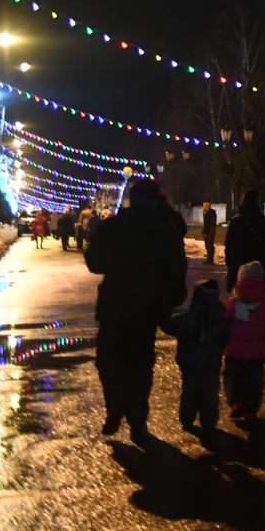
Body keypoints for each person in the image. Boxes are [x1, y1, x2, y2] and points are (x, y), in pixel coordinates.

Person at [84, 178, 187, 443]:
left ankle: (116, 407)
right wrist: (171, 300)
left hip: (114, 306)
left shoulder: (114, 226)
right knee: (140, 364)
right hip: (147, 307)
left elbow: (94, 262)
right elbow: (177, 268)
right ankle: (137, 420)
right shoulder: (165, 230)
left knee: (109, 360)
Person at [160, 277, 230, 434]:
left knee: (190, 393)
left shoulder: (188, 319)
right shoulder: (220, 320)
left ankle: (187, 419)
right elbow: (226, 336)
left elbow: (168, 326)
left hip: (190, 364)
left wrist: (165, 308)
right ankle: (209, 422)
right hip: (211, 364)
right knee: (210, 394)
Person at [223, 261, 265, 423]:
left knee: (233, 377)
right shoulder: (264, 302)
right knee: (254, 382)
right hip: (257, 352)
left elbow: (224, 321)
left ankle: (236, 401)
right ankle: (251, 409)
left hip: (234, 351)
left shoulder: (233, 302)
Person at [224, 189, 265, 282]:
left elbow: (229, 243)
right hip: (258, 265)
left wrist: (229, 262)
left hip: (238, 265)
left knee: (239, 293)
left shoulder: (236, 221)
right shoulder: (262, 220)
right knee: (257, 292)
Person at [201, 201, 219, 268]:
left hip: (210, 233)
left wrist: (206, 232)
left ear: (207, 206)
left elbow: (209, 224)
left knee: (209, 246)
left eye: (204, 206)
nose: (203, 207)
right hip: (208, 232)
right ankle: (209, 259)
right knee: (208, 246)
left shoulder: (211, 213)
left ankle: (210, 260)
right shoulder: (206, 212)